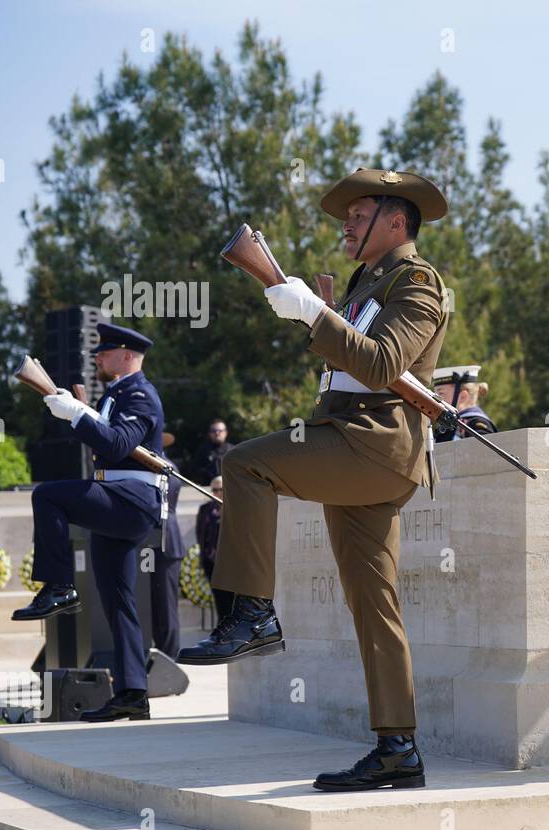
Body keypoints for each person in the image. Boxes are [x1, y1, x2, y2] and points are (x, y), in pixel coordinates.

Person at [179, 168, 449, 792]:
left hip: (373, 443)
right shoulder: (365, 282)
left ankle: (251, 614)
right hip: (352, 441)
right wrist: (313, 314)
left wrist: (313, 312)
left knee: (245, 463)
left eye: (359, 215)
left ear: (396, 220)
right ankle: (397, 749)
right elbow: (345, 360)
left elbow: (383, 364)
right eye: (348, 217)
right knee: (373, 605)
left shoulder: (418, 282)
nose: (347, 225)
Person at [12, 322, 166, 722]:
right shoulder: (118, 394)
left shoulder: (140, 395)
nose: (98, 356)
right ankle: (133, 691)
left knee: (47, 495)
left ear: (128, 356)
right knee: (118, 602)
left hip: (132, 499)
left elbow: (116, 444)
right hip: (116, 499)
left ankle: (60, 586)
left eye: (106, 351)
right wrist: (80, 411)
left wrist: (78, 416)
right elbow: (108, 440)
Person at [147, 434, 184, 660]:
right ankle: (160, 654)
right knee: (152, 603)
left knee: (165, 606)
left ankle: (169, 657)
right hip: (151, 540)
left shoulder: (165, 467)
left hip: (165, 540)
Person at [432, 364, 497, 442]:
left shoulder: (476, 425)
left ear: (463, 396)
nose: (434, 398)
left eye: (441, 393)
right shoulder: (448, 425)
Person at [195, 476, 224, 582]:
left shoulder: (232, 508)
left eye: (221, 489)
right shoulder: (205, 509)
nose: (218, 493)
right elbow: (200, 532)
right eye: (215, 490)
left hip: (227, 561)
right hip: (209, 558)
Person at [190, 419, 231, 484]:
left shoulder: (232, 450)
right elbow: (194, 471)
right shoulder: (203, 451)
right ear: (209, 433)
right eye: (214, 431)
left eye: (220, 431)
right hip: (208, 488)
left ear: (226, 432)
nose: (217, 433)